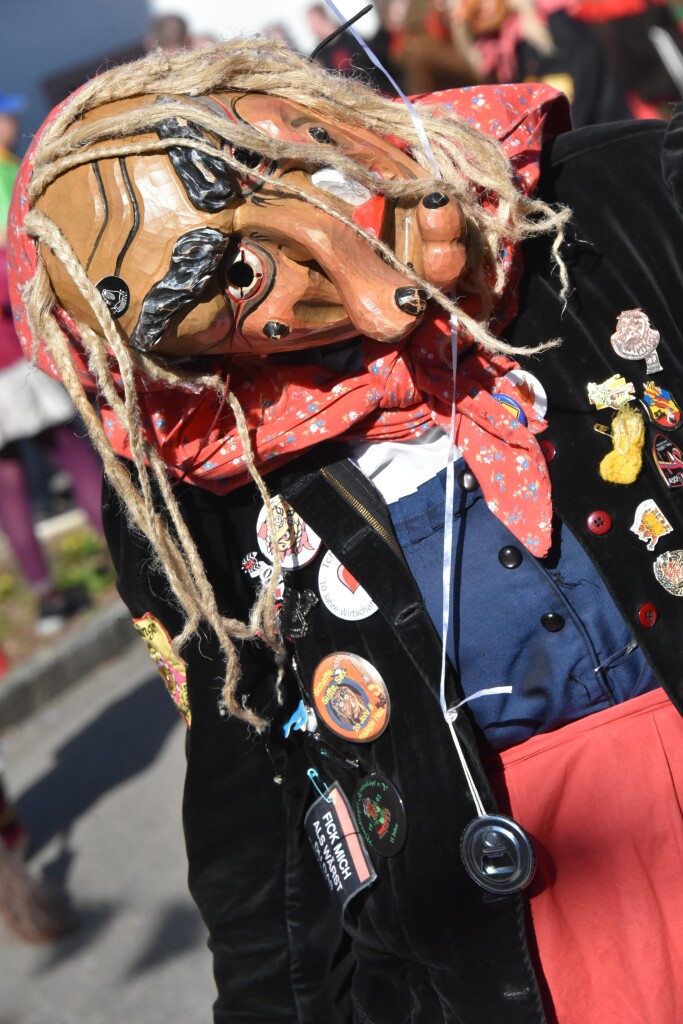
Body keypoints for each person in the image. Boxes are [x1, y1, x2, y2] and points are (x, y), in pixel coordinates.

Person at [6, 38, 683, 1023]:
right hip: (514, 949)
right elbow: (254, 804)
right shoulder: (196, 468)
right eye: (220, 294)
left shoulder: (605, 204)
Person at [0, 91, 103, 636]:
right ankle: (129, 551)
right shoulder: (3, 174)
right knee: (76, 454)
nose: (12, 120)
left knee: (10, 486)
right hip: (13, 364)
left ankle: (46, 599)